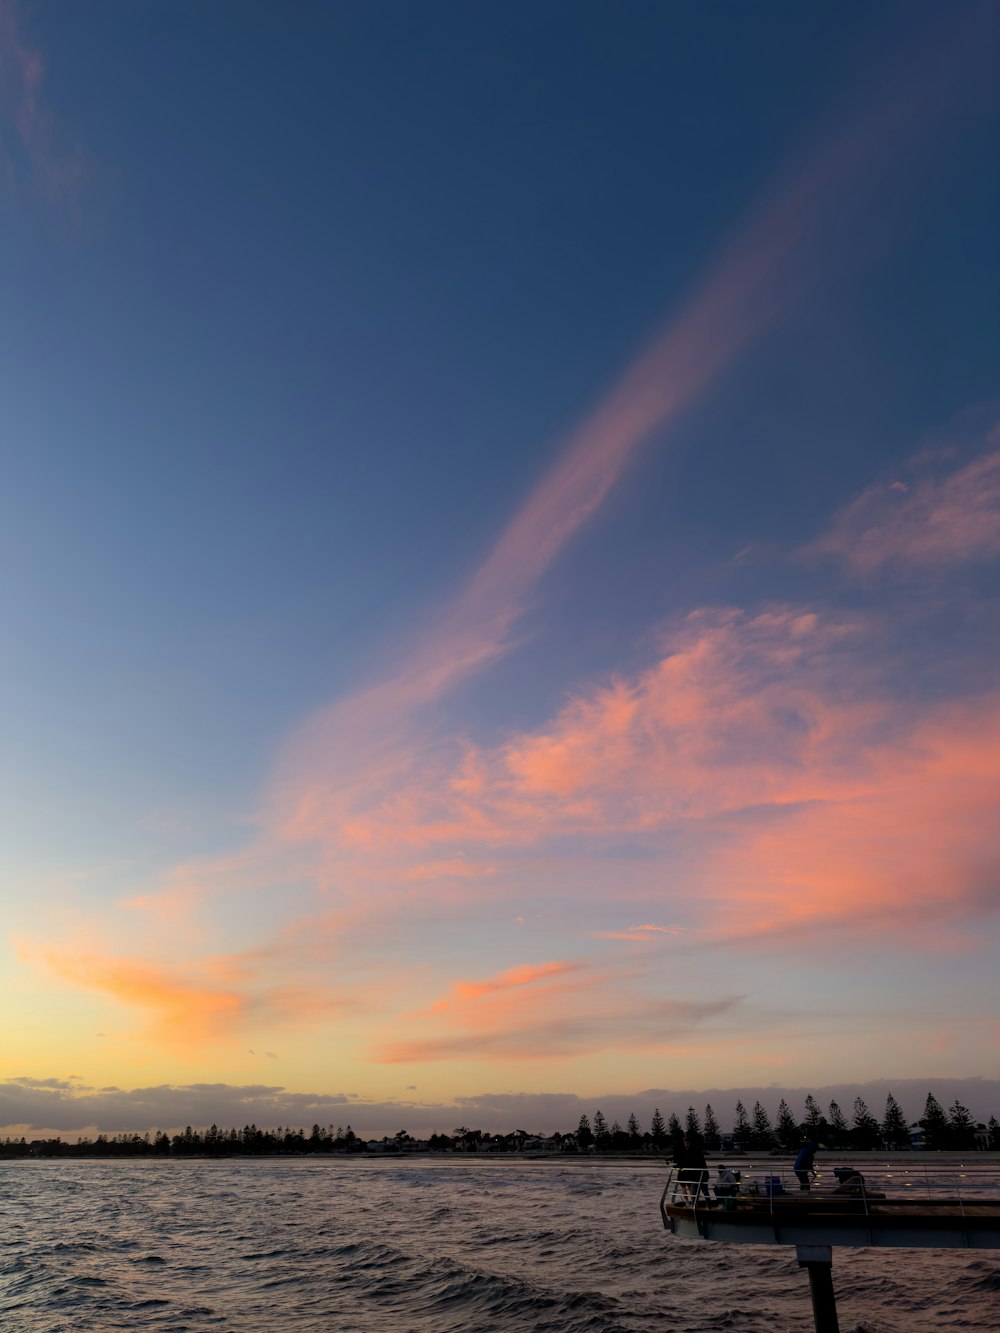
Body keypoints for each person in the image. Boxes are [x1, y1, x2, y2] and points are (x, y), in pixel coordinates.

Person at [674, 1134, 709, 1202]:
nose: (686, 1145)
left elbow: (690, 1162)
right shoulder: (684, 1151)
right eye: (685, 1143)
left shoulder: (694, 1151)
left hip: (692, 1174)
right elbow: (681, 1161)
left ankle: (694, 1202)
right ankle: (689, 1202)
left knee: (695, 1189)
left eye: (687, 1143)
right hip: (684, 1174)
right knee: (686, 1189)